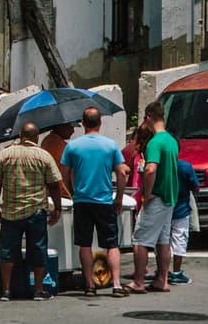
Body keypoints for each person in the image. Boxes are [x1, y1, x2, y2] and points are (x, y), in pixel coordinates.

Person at [60, 108, 130, 298]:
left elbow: (64, 175)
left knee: (84, 244)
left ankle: (89, 285)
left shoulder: (72, 147)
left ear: (83, 123)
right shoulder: (110, 145)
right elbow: (122, 173)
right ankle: (116, 284)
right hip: (104, 200)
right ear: (100, 123)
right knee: (112, 244)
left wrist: (72, 193)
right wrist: (119, 197)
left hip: (82, 200)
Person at [0, 121, 63, 301]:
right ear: (36, 137)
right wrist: (57, 208)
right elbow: (54, 185)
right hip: (36, 211)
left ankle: (6, 290)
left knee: (7, 251)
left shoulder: (4, 155)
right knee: (38, 249)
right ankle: (38, 289)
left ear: (21, 136)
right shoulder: (43, 156)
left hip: (10, 211)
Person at [127, 101, 180, 294]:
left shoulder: (155, 142)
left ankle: (139, 281)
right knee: (163, 241)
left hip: (156, 197)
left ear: (149, 117)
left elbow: (151, 169)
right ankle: (162, 280)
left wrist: (146, 195)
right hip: (170, 198)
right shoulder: (172, 141)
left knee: (140, 240)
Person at [167, 157, 201, 285]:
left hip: (163, 208)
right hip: (181, 209)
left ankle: (162, 272)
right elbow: (195, 187)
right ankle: (176, 273)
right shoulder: (185, 167)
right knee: (179, 240)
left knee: (163, 241)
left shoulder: (160, 166)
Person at [41, 122, 75, 200]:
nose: (73, 131)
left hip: (48, 192)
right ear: (61, 126)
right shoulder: (62, 146)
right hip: (62, 194)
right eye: (71, 127)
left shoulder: (46, 141)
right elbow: (70, 174)